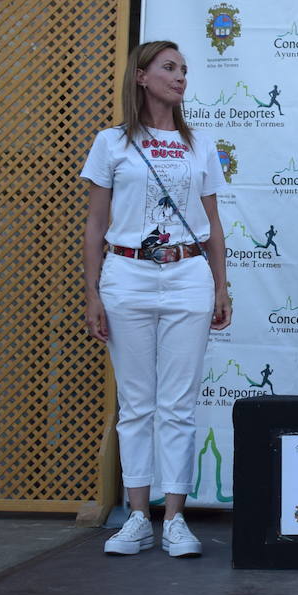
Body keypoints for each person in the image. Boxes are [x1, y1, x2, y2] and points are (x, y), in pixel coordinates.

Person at [82, 40, 232, 558]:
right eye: (170, 68)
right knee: (136, 404)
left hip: (188, 274)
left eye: (185, 70)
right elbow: (96, 223)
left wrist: (221, 284)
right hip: (125, 275)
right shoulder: (112, 142)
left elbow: (213, 225)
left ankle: (174, 518)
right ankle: (136, 517)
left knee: (178, 404)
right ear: (142, 77)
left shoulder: (200, 145)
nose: (180, 77)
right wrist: (92, 290)